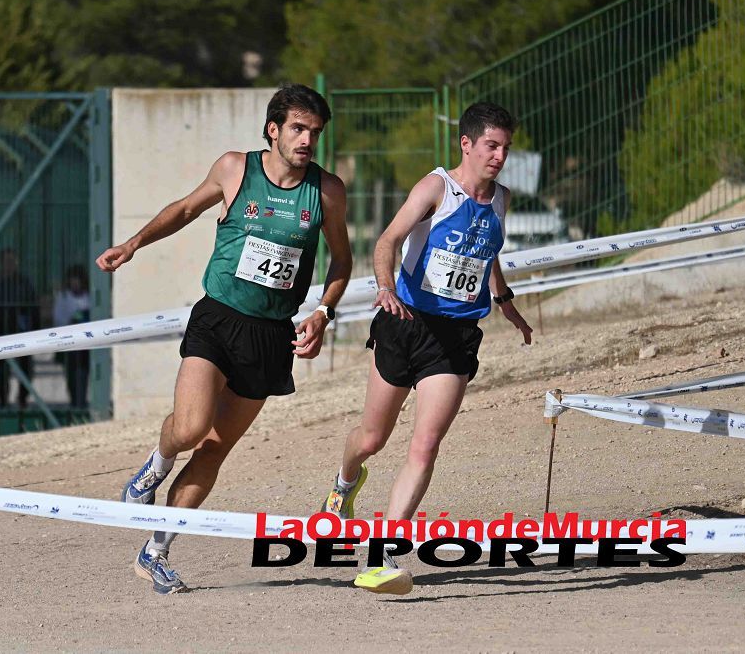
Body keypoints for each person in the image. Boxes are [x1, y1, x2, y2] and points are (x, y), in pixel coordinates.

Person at [96, 83, 353, 594]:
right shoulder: (236, 168)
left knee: (214, 449)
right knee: (190, 428)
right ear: (274, 129)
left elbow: (341, 260)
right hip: (218, 318)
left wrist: (323, 313)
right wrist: (133, 244)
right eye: (298, 129)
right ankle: (154, 467)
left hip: (271, 335)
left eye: (315, 133)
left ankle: (156, 551)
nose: (307, 140)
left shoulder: (327, 191)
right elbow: (186, 208)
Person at [320, 102, 533, 595]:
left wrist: (502, 301)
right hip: (404, 324)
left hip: (455, 337)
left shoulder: (501, 198)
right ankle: (344, 482)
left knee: (425, 444)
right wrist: (384, 285)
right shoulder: (436, 187)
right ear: (467, 144)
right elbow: (388, 239)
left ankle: (383, 554)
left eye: (505, 147)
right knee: (372, 438)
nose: (499, 156)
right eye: (491, 146)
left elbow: (487, 250)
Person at [0, 248, 40, 408]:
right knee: (2, 371)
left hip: (21, 331)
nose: (10, 265)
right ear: (1, 263)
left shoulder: (23, 282)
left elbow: (33, 306)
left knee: (26, 368)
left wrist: (34, 328)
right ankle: (3, 403)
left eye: (12, 261)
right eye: (7, 261)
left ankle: (22, 399)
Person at [52, 264, 91, 412]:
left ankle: (81, 401)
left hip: (86, 345)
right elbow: (58, 319)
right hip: (68, 344)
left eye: (78, 280)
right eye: (72, 280)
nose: (75, 283)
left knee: (83, 372)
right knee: (70, 374)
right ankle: (74, 401)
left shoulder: (89, 296)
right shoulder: (63, 297)